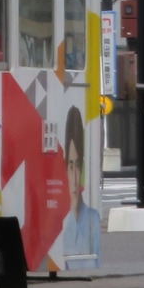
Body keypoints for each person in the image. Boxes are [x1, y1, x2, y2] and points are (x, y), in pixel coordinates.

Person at [61, 104, 101, 268]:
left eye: (77, 165)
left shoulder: (93, 218)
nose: (75, 176)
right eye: (70, 165)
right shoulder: (61, 222)